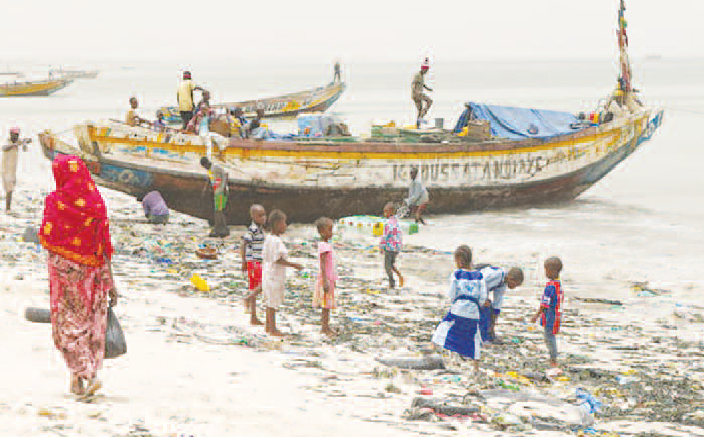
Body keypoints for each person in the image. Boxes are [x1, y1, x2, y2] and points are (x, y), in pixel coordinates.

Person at [38, 155, 117, 397]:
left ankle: (84, 375)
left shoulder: (54, 202)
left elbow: (48, 237)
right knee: (88, 325)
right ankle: (81, 377)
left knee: (67, 325)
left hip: (63, 276)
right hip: (92, 275)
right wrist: (110, 282)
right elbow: (104, 244)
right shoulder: (96, 203)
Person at [431, 245, 487, 374]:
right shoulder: (480, 276)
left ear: (459, 260)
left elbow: (452, 294)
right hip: (473, 311)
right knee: (475, 336)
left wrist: (456, 303)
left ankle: (432, 348)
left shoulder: (457, 274)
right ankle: (476, 366)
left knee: (443, 327)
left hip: (459, 308)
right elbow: (483, 297)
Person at [262, 209, 303, 336]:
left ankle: (268, 326)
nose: (285, 226)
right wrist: (293, 265)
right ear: (277, 224)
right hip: (274, 275)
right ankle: (272, 328)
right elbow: (277, 259)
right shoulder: (275, 241)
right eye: (283, 223)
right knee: (272, 303)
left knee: (270, 302)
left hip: (269, 273)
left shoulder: (269, 238)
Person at [530, 257, 564, 368]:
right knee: (551, 336)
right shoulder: (558, 285)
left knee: (549, 337)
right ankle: (553, 357)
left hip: (550, 316)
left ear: (552, 271)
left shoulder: (550, 286)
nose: (546, 273)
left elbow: (545, 304)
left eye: (546, 270)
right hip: (557, 315)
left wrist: (536, 315)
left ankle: (553, 359)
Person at [478, 266, 524, 343]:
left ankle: (489, 334)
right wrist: (484, 298)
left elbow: (498, 300)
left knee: (491, 310)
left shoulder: (503, 283)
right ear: (511, 278)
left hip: (482, 290)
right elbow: (481, 283)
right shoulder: (496, 275)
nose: (514, 287)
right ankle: (484, 337)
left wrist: (494, 320)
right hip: (475, 285)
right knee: (485, 310)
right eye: (515, 285)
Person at [241, 204, 267, 326]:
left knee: (257, 286)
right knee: (261, 285)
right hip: (254, 262)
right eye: (260, 215)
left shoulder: (260, 229)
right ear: (253, 216)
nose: (264, 218)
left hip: (258, 261)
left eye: (264, 215)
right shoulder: (253, 229)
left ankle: (253, 317)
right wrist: (244, 261)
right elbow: (244, 244)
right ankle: (248, 299)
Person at [314, 217, 338, 336]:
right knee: (325, 305)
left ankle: (326, 326)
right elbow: (323, 264)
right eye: (329, 230)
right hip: (326, 279)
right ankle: (324, 327)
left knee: (327, 305)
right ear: (322, 231)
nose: (331, 232)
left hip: (329, 278)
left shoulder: (325, 245)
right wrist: (325, 281)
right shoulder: (324, 246)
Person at [199, 156, 230, 237]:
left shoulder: (215, 167)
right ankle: (220, 229)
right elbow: (209, 179)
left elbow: (225, 174)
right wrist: (205, 189)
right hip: (217, 191)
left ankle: (221, 229)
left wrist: (223, 188)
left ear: (206, 164)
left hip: (221, 191)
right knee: (217, 211)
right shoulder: (210, 170)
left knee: (219, 211)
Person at [2, 127, 29, 211]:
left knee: (10, 189)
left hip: (12, 169)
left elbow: (25, 149)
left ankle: (8, 207)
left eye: (17, 135)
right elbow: (4, 148)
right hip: (5, 169)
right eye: (14, 135)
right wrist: (15, 144)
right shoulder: (7, 142)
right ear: (10, 135)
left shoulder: (17, 143)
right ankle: (8, 208)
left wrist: (24, 143)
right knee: (9, 189)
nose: (16, 137)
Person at [380, 202, 403, 289]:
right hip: (396, 247)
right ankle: (399, 277)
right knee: (392, 265)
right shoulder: (396, 222)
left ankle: (391, 281)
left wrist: (381, 247)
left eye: (385, 212)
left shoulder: (389, 223)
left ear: (389, 212)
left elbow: (385, 236)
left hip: (389, 247)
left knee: (387, 266)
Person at [412, 58, 433, 128]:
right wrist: (416, 91)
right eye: (426, 70)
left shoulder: (421, 75)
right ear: (423, 69)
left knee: (419, 110)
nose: (426, 72)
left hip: (416, 94)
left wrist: (427, 88)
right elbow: (414, 84)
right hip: (417, 94)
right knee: (430, 101)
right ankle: (423, 113)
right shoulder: (417, 75)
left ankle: (418, 125)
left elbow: (422, 84)